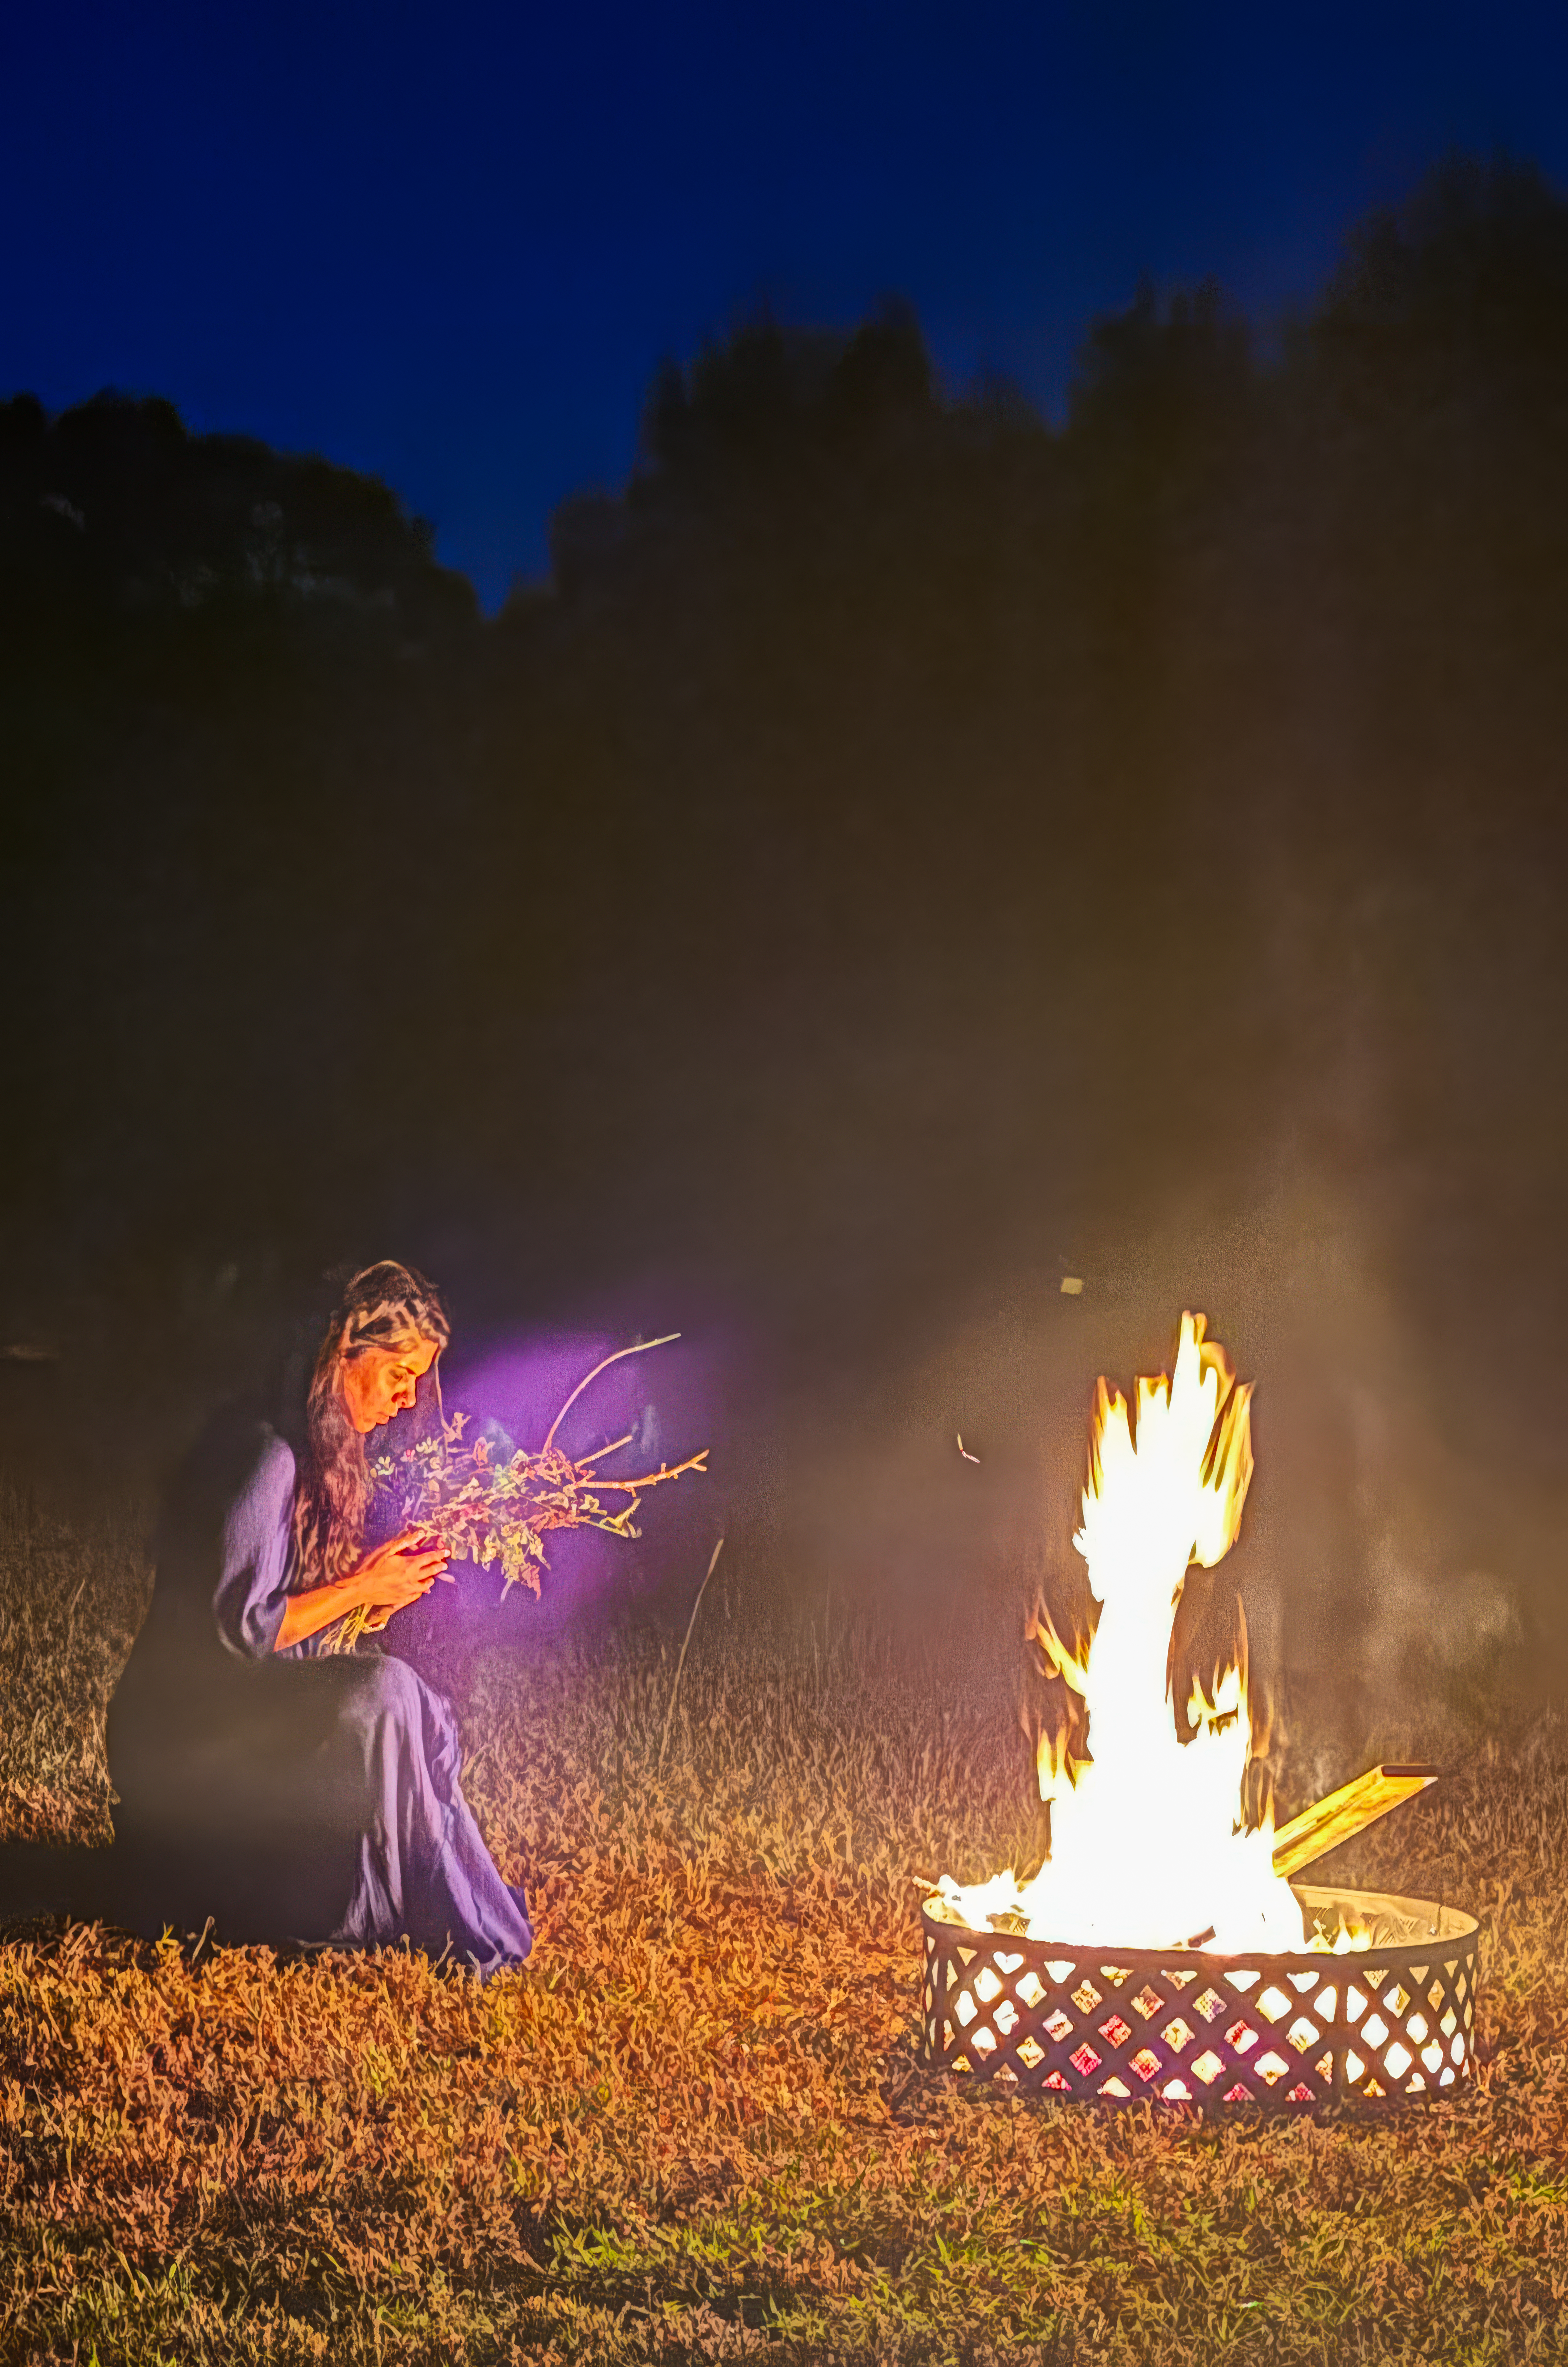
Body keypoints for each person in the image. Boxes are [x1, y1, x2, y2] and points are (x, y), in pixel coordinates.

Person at [103, 1261, 531, 1976]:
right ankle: (359, 1902)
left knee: (408, 1703)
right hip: (180, 1749)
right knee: (385, 1692)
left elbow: (292, 1651)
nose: (407, 1396)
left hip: (233, 1718)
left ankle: (428, 1900)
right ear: (344, 1355)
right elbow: (238, 1635)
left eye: (419, 1378)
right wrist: (361, 1583)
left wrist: (368, 1597)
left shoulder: (314, 1458)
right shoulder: (266, 1457)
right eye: (399, 1371)